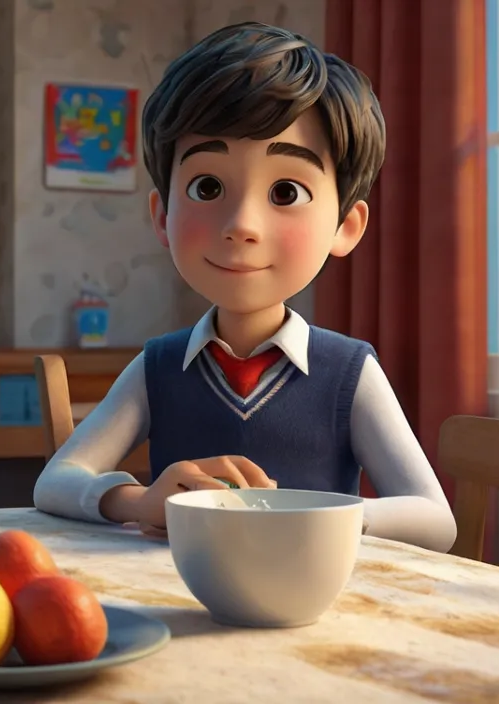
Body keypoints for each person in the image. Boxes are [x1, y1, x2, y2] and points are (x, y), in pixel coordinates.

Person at [32, 22, 457, 553]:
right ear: (162, 216)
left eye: (286, 190)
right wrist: (139, 502)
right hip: (174, 598)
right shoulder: (158, 368)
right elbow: (55, 480)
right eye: (207, 187)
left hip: (311, 605)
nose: (242, 223)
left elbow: (436, 519)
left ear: (346, 226)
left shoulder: (348, 373)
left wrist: (320, 513)